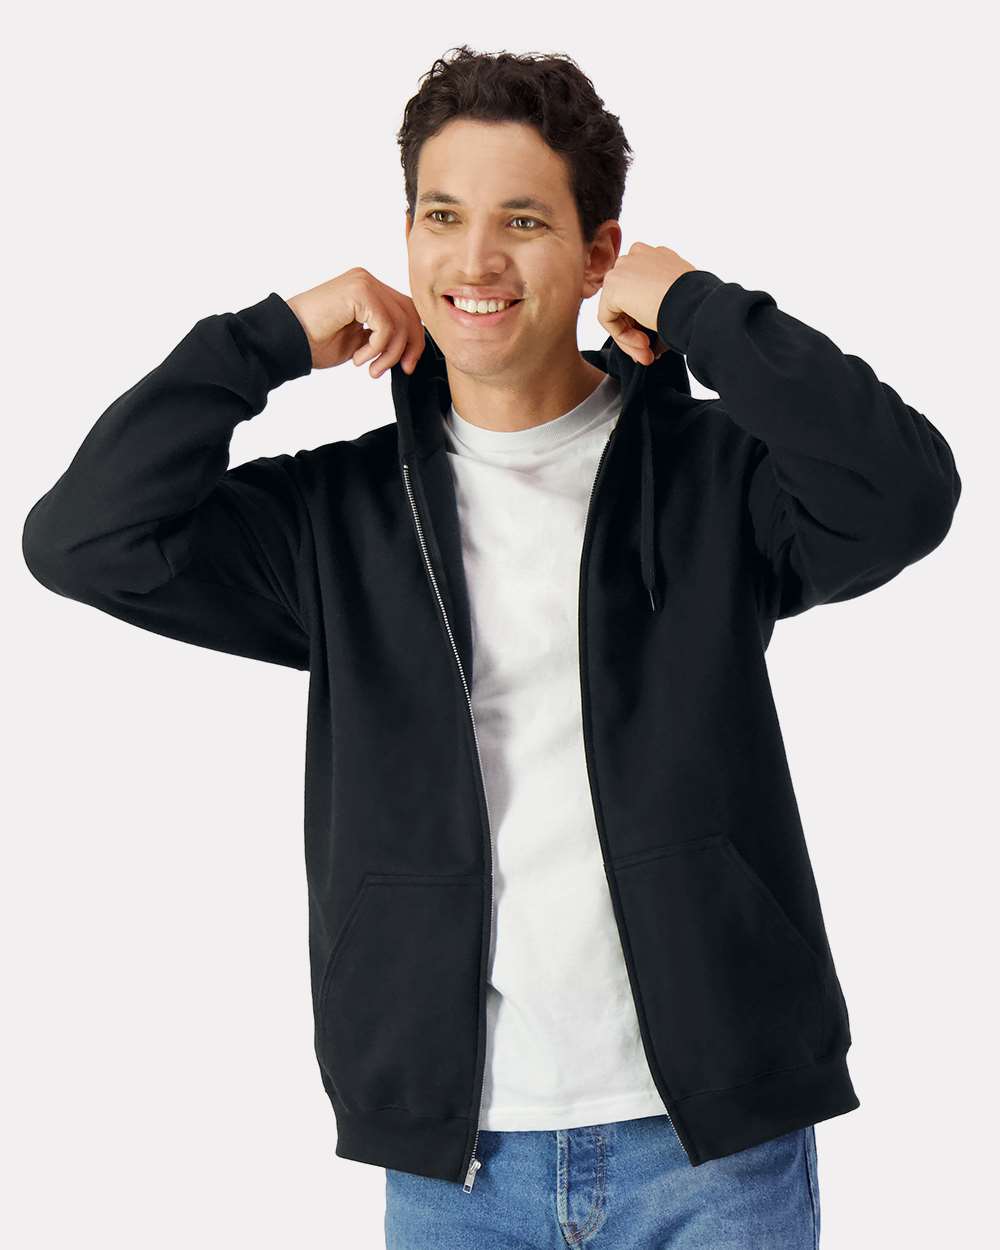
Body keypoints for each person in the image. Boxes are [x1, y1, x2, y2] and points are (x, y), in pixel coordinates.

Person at [22, 44, 960, 1250]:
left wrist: (698, 305)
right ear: (406, 235)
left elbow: (901, 493)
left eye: (522, 219)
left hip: (714, 1145)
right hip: (458, 1160)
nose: (474, 260)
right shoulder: (335, 516)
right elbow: (85, 541)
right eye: (441, 215)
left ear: (597, 253)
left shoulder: (717, 481)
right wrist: (262, 341)